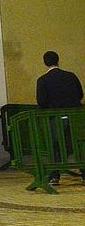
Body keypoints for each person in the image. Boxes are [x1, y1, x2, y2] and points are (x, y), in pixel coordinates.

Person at [35, 51, 82, 185]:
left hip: (55, 118)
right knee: (78, 145)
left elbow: (41, 102)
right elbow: (80, 94)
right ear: (58, 60)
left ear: (45, 63)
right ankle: (84, 173)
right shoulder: (71, 76)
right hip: (75, 117)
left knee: (55, 146)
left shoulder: (43, 80)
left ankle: (55, 176)